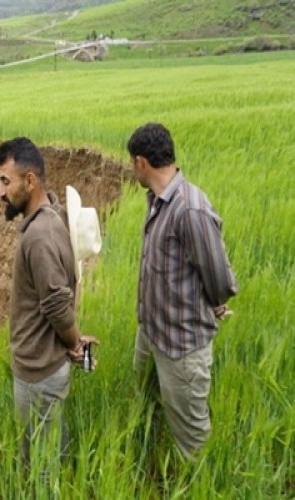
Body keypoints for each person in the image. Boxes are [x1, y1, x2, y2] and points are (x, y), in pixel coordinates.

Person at [127, 122, 238, 458]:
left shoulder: (189, 208)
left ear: (141, 162)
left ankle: (195, 484)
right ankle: (150, 462)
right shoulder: (157, 200)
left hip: (181, 345)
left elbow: (218, 275)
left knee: (191, 437)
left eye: (132, 163)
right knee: (145, 405)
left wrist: (216, 303)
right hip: (152, 332)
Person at [0, 137, 98, 481]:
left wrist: (72, 343)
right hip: (47, 365)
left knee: (39, 468)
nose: (0, 192)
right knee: (53, 450)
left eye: (5, 181)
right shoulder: (53, 215)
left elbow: (55, 302)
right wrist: (73, 341)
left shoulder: (37, 236)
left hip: (38, 372)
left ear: (30, 180)